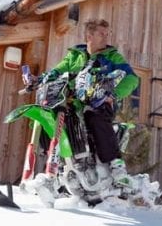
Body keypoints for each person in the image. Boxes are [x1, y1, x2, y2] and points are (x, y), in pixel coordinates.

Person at [41, 18, 140, 187]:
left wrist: (113, 94)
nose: (106, 37)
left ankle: (116, 166)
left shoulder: (112, 56)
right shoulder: (74, 55)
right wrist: (46, 77)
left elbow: (132, 79)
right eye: (101, 34)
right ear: (89, 36)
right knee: (48, 117)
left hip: (98, 101)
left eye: (107, 34)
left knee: (93, 114)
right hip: (72, 102)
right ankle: (58, 166)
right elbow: (58, 70)